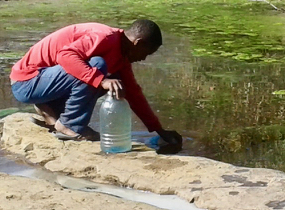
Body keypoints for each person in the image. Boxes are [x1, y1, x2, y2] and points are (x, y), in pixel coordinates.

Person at [10, 19, 183, 152]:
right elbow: (66, 56)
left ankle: (51, 109)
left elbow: (134, 94)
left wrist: (159, 130)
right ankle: (70, 125)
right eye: (146, 53)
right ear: (138, 43)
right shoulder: (105, 37)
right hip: (27, 81)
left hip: (46, 84)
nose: (144, 59)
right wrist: (101, 80)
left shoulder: (121, 57)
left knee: (116, 83)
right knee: (97, 67)